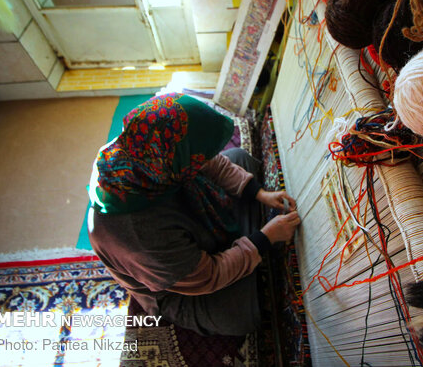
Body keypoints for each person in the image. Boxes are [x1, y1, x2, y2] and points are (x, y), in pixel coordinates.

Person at [87, 92, 300, 336]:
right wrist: (265, 238)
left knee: (239, 159)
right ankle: (247, 241)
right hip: (179, 285)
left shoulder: (144, 147)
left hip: (185, 219)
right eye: (196, 159)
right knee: (241, 316)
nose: (204, 159)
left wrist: (259, 193)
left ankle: (244, 242)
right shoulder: (140, 237)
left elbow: (209, 162)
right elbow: (209, 276)